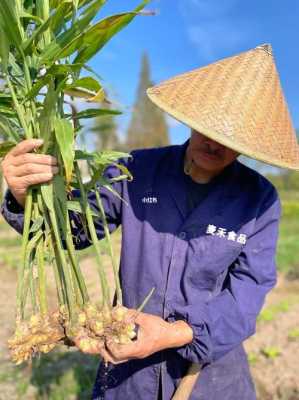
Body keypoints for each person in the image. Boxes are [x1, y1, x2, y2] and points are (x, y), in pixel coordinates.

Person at [1, 44, 299, 400]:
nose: (216, 143)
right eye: (211, 126)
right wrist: (25, 196)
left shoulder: (259, 200)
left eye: (233, 137)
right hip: (128, 374)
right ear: (194, 117)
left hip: (210, 377)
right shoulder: (136, 170)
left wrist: (173, 333)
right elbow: (76, 229)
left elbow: (246, 294)